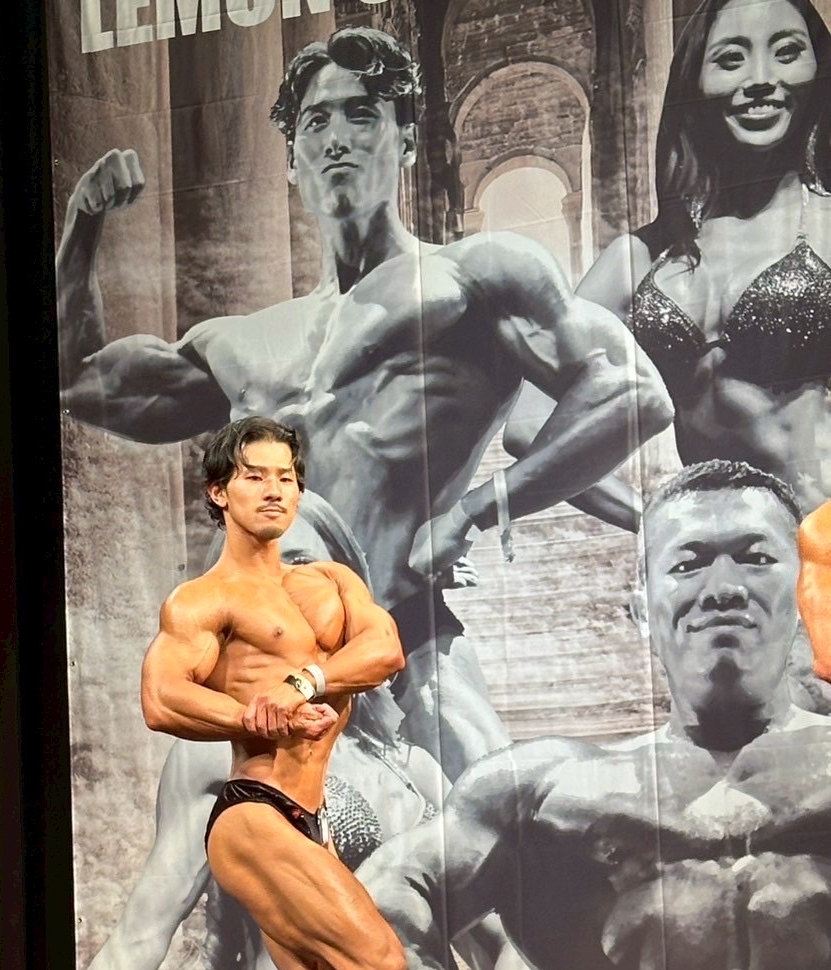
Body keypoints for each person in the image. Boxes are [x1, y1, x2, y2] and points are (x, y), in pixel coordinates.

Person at [56, 27, 671, 779]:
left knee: (493, 814)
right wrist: (82, 224)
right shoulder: (244, 343)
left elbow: (631, 390)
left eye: (362, 114)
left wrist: (477, 509)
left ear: (405, 140)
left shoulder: (476, 279)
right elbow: (81, 382)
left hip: (402, 637)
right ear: (292, 159)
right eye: (316, 121)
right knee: (221, 843)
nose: (337, 138)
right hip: (264, 659)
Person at [359, 460, 831, 970]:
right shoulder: (548, 794)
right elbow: (367, 915)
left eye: (755, 557)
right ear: (641, 606)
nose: (722, 587)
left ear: (802, 590)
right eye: (687, 563)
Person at [510, 0, 831, 690]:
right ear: (695, 81)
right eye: (731, 58)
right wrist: (656, 519)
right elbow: (528, 426)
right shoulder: (640, 259)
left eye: (786, 51)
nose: (761, 78)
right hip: (724, 585)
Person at [139, 415, 408, 970]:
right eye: (254, 476)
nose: (274, 490)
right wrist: (249, 717)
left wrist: (303, 682)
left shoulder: (330, 582)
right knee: (380, 964)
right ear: (219, 492)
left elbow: (385, 650)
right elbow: (161, 697)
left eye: (286, 476)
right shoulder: (206, 601)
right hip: (253, 814)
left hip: (304, 822)